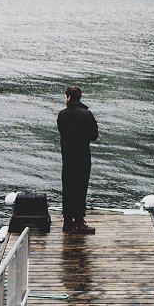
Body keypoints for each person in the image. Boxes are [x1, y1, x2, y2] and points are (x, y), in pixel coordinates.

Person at [57, 85, 99, 234]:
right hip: (82, 158)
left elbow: (61, 130)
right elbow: (94, 135)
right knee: (80, 189)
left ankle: (67, 222)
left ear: (68, 97)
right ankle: (79, 221)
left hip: (67, 158)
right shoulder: (86, 114)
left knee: (67, 188)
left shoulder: (62, 114)